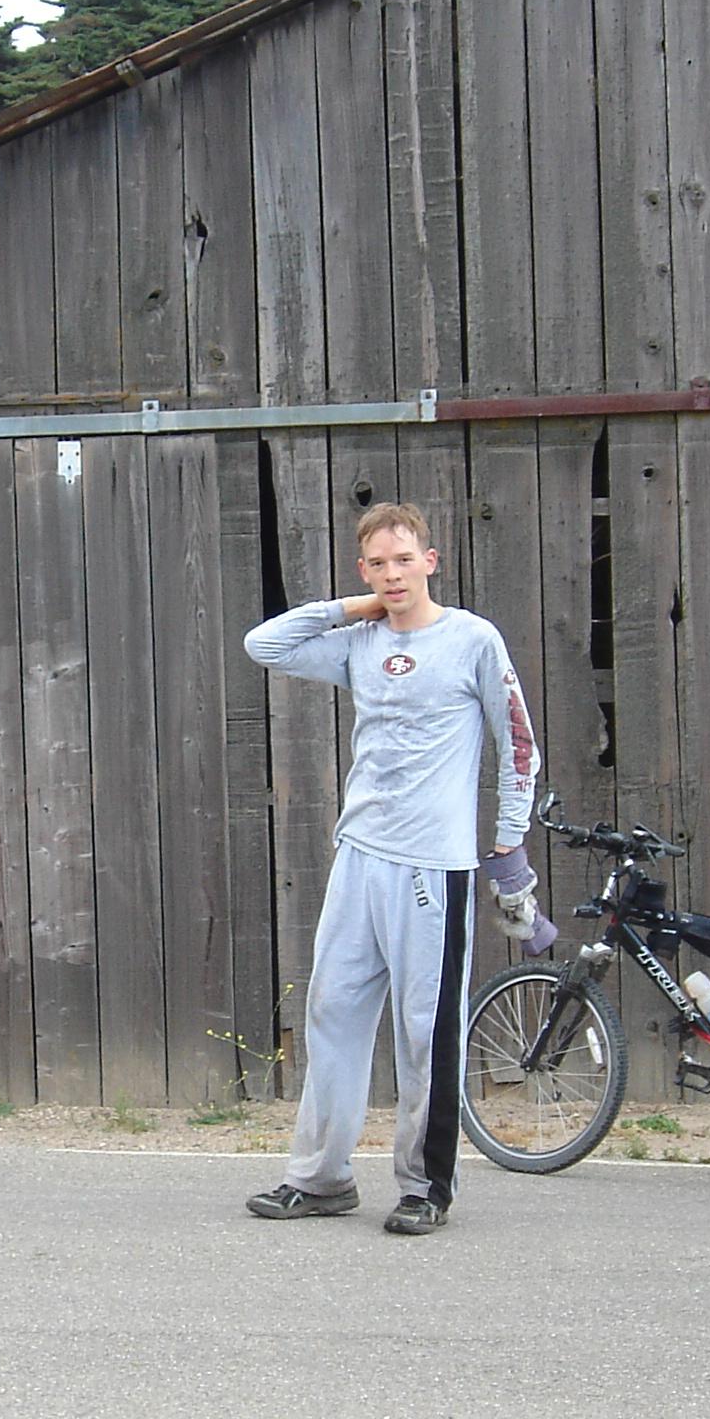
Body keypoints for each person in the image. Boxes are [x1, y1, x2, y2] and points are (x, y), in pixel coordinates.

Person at [241, 501, 543, 1236]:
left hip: (431, 868)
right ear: (363, 572)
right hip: (360, 856)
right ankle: (319, 1178)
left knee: (424, 1031)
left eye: (404, 559)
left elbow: (518, 743)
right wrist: (358, 606)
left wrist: (507, 844)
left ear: (430, 561)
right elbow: (263, 645)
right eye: (377, 563)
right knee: (332, 1015)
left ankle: (425, 1186)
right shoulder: (360, 642)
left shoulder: (472, 639)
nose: (392, 573)